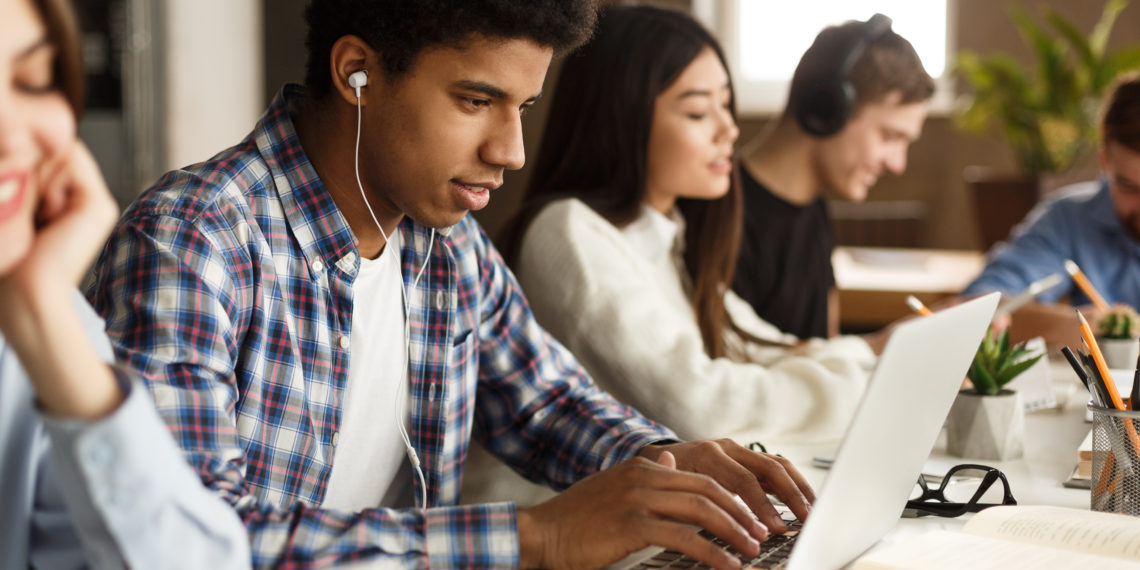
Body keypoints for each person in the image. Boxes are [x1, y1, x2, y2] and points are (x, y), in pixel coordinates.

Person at [84, 1, 816, 568]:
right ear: (355, 73)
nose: (512, 151)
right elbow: (187, 542)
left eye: (522, 109)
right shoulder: (193, 243)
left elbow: (548, 406)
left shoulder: (444, 241)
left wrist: (672, 469)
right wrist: (534, 538)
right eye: (475, 101)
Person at [502, 5, 876, 445]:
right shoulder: (569, 232)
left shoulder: (666, 237)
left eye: (726, 104)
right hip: (547, 509)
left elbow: (763, 347)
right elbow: (702, 408)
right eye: (699, 113)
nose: (729, 129)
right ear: (624, 120)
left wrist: (872, 352)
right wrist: (867, 382)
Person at [0, 0, 249, 567]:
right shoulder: (189, 231)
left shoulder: (38, 321)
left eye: (31, 80)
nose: (14, 135)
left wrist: (43, 321)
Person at [732, 15, 934, 339]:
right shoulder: (721, 216)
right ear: (827, 109)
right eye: (890, 136)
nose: (897, 164)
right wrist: (880, 346)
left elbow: (826, 353)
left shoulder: (814, 207)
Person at [962, 72, 1140, 348]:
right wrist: (1068, 325)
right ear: (1105, 161)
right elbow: (980, 304)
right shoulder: (1068, 219)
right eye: (1130, 187)